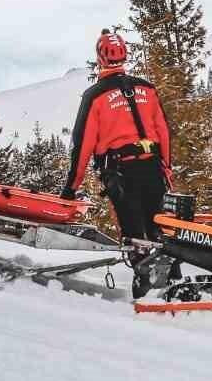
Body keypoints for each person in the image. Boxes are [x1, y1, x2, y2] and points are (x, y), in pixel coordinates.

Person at [61, 30, 172, 247]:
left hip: (121, 173)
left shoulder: (94, 96)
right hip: (153, 168)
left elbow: (82, 146)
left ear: (100, 58)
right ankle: (171, 276)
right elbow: (163, 132)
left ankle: (144, 278)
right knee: (159, 230)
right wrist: (167, 167)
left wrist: (70, 189)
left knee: (134, 234)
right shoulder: (147, 89)